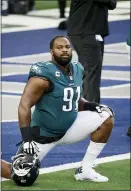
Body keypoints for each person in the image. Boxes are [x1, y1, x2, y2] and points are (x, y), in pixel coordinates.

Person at [15, 36, 114, 184]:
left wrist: (90, 105)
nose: (64, 50)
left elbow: (74, 98)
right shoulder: (43, 75)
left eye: (67, 47)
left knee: (106, 116)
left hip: (69, 128)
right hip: (42, 137)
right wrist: (26, 138)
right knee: (20, 177)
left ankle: (85, 170)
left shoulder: (77, 69)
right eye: (59, 48)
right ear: (52, 52)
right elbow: (24, 105)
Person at [67, 0, 117, 103]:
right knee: (91, 73)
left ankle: (88, 108)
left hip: (91, 31)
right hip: (85, 32)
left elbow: (112, 4)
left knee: (91, 73)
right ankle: (89, 112)